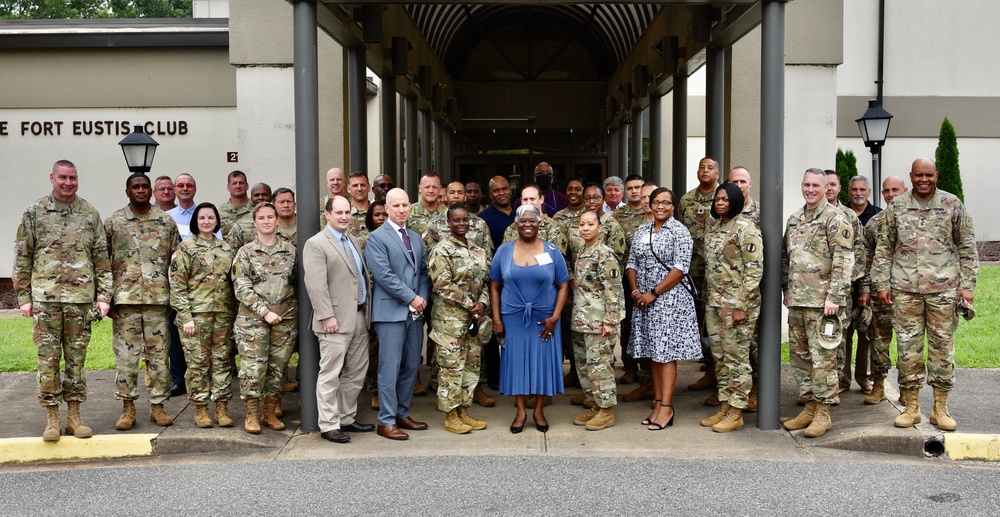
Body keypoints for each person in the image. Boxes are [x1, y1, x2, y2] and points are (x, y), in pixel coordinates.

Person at [872, 158, 979, 431]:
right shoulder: (897, 206)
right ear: (911, 176)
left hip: (943, 291)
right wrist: (881, 284)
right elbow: (884, 247)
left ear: (936, 176)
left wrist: (968, 285)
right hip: (905, 290)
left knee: (942, 348)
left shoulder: (952, 204)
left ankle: (940, 407)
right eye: (919, 175)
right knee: (908, 349)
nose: (924, 180)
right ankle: (911, 406)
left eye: (928, 175)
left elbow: (966, 245)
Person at [13, 159, 111, 441]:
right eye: (63, 178)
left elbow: (101, 258)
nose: (69, 183)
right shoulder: (34, 212)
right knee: (48, 360)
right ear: (52, 178)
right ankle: (52, 418)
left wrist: (104, 297)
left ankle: (75, 417)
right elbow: (23, 256)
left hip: (80, 301)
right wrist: (23, 297)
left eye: (73, 178)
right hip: (45, 299)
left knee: (76, 361)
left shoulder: (89, 213)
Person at [781, 168, 854, 438]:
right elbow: (786, 259)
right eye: (806, 185)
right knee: (801, 358)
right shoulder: (794, 219)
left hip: (824, 304)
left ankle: (823, 411)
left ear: (825, 188)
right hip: (799, 301)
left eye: (816, 185)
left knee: (824, 359)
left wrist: (835, 296)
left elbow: (844, 260)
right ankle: (809, 406)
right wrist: (787, 290)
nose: (810, 189)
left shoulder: (836, 218)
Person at [105, 173, 179, 430]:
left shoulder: (166, 222)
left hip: (158, 301)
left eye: (144, 186)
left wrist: (175, 299)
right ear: (127, 191)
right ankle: (128, 408)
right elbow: (103, 263)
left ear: (151, 191)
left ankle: (158, 407)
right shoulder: (113, 222)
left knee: (159, 358)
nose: (140, 190)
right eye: (135, 186)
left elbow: (175, 263)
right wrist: (106, 299)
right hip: (124, 302)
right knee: (126, 358)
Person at [490, 204, 569, 433]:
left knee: (542, 363)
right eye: (522, 221)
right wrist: (496, 318)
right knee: (516, 364)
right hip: (513, 318)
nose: (527, 225)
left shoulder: (552, 251)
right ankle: (521, 411)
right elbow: (494, 286)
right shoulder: (503, 251)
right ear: (515, 224)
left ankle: (539, 410)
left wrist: (555, 317)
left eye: (532, 221)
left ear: (539, 223)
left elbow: (563, 285)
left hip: (544, 320)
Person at [627, 187, 701, 431]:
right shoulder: (642, 230)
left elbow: (680, 269)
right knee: (653, 353)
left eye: (666, 203)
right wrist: (636, 291)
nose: (660, 207)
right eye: (656, 202)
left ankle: (667, 407)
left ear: (673, 206)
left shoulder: (680, 232)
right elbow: (632, 262)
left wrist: (653, 293)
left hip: (669, 299)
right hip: (643, 299)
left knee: (665, 353)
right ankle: (657, 404)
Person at [303, 196, 375, 444]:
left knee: (356, 371)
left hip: (358, 316)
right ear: (327, 214)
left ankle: (346, 417)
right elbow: (315, 285)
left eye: (348, 212)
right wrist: (326, 316)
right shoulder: (316, 244)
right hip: (333, 320)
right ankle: (329, 424)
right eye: (339, 213)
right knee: (331, 374)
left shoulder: (352, 240)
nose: (344, 217)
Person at [364, 188, 431, 441]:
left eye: (405, 205)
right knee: (389, 367)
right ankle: (386, 420)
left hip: (415, 312)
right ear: (387, 209)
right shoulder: (376, 238)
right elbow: (384, 276)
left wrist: (420, 299)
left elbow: (423, 272)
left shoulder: (415, 237)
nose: (402, 209)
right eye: (397, 206)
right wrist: (410, 297)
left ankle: (402, 414)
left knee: (412, 365)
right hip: (390, 312)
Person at [698, 183, 762, 433]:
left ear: (735, 200)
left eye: (725, 199)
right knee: (720, 357)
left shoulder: (746, 229)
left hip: (737, 305)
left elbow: (754, 269)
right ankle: (725, 405)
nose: (720, 202)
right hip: (715, 303)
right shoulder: (714, 227)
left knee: (736, 358)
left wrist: (742, 306)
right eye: (717, 199)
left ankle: (737, 410)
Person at [169, 202, 237, 428]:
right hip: (196, 317)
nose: (206, 221)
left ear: (217, 221)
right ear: (195, 222)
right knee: (198, 365)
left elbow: (235, 284)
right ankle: (200, 409)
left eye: (211, 217)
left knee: (222, 362)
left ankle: (221, 407)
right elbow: (177, 285)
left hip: (223, 316)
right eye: (202, 218)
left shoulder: (227, 249)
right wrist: (185, 316)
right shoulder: (185, 248)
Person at [232, 202, 298, 434]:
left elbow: (297, 284)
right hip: (253, 321)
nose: (267, 221)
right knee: (253, 369)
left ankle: (269, 413)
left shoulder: (290, 250)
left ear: (277, 220)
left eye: (271, 217)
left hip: (285, 319)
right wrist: (264, 312)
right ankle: (251, 415)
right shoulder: (246, 252)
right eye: (262, 218)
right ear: (255, 222)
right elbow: (241, 287)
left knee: (278, 368)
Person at [428, 204, 492, 434]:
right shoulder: (441, 250)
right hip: (450, 322)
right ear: (448, 223)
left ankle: (464, 410)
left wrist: (482, 303)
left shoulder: (477, 250)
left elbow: (486, 281)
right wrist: (469, 304)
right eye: (456, 220)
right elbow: (442, 284)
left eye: (465, 220)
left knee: (471, 368)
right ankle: (451, 415)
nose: (461, 224)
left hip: (474, 322)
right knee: (451, 370)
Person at [570, 211, 624, 431]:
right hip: (582, 320)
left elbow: (614, 290)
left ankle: (606, 410)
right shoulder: (583, 251)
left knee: (600, 367)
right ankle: (593, 403)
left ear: (599, 228)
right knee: (585, 366)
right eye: (582, 224)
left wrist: (611, 321)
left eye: (590, 224)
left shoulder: (605, 254)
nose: (585, 228)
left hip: (599, 322)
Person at [861, 175, 907, 405]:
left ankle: (907, 389)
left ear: (905, 190)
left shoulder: (913, 220)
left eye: (895, 190)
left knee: (909, 344)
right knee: (878, 341)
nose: (890, 194)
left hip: (909, 294)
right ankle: (878, 384)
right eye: (886, 190)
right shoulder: (875, 223)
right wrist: (867, 288)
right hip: (881, 293)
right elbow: (866, 258)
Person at [678, 157, 720, 398]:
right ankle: (711, 370)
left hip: (718, 274)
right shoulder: (687, 199)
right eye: (702, 167)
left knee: (714, 324)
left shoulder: (723, 196)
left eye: (710, 168)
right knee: (699, 320)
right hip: (693, 271)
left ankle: (720, 374)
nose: (705, 171)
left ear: (718, 173)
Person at [824, 170, 868, 396]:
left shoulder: (848, 216)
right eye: (826, 184)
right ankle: (828, 383)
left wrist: (859, 286)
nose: (829, 188)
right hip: (816, 291)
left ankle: (841, 381)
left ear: (839, 188)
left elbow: (860, 255)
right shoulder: (807, 216)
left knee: (841, 337)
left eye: (833, 184)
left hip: (844, 290)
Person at [165, 173, 204, 396]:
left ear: (195, 189)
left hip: (201, 286)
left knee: (200, 334)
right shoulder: (168, 217)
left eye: (189, 184)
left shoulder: (204, 214)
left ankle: (201, 378)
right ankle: (179, 379)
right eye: (181, 185)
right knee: (176, 333)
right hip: (176, 282)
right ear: (175, 189)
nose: (185, 188)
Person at [361, 200, 388, 410]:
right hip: (368, 302)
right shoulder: (361, 241)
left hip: (389, 301)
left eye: (384, 215)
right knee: (372, 350)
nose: (381, 218)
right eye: (377, 215)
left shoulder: (395, 238)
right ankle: (374, 390)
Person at [423, 182, 494, 253]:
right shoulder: (434, 224)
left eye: (460, 193)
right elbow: (429, 255)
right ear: (446, 197)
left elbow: (487, 256)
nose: (456, 196)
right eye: (452, 192)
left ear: (465, 197)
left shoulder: (480, 224)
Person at [227, 182, 274, 250]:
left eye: (264, 194)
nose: (260, 197)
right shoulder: (240, 225)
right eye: (256, 195)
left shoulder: (280, 221)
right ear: (251, 199)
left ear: (271, 198)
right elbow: (232, 253)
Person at [479, 176, 516, 254]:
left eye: (504, 189)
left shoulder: (521, 214)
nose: (501, 193)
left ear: (510, 190)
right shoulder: (482, 218)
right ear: (490, 195)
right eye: (496, 191)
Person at [408, 171, 445, 236]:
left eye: (435, 187)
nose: (431, 191)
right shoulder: (408, 211)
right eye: (427, 187)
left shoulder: (448, 213)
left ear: (440, 189)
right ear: (420, 188)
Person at [218, 170, 251, 237]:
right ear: (228, 187)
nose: (238, 186)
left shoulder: (257, 209)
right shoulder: (218, 211)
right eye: (234, 183)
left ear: (247, 186)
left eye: (241, 183)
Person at [347, 171, 371, 236]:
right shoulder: (342, 213)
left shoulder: (376, 212)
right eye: (355, 185)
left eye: (362, 185)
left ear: (369, 188)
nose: (359, 189)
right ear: (349, 189)